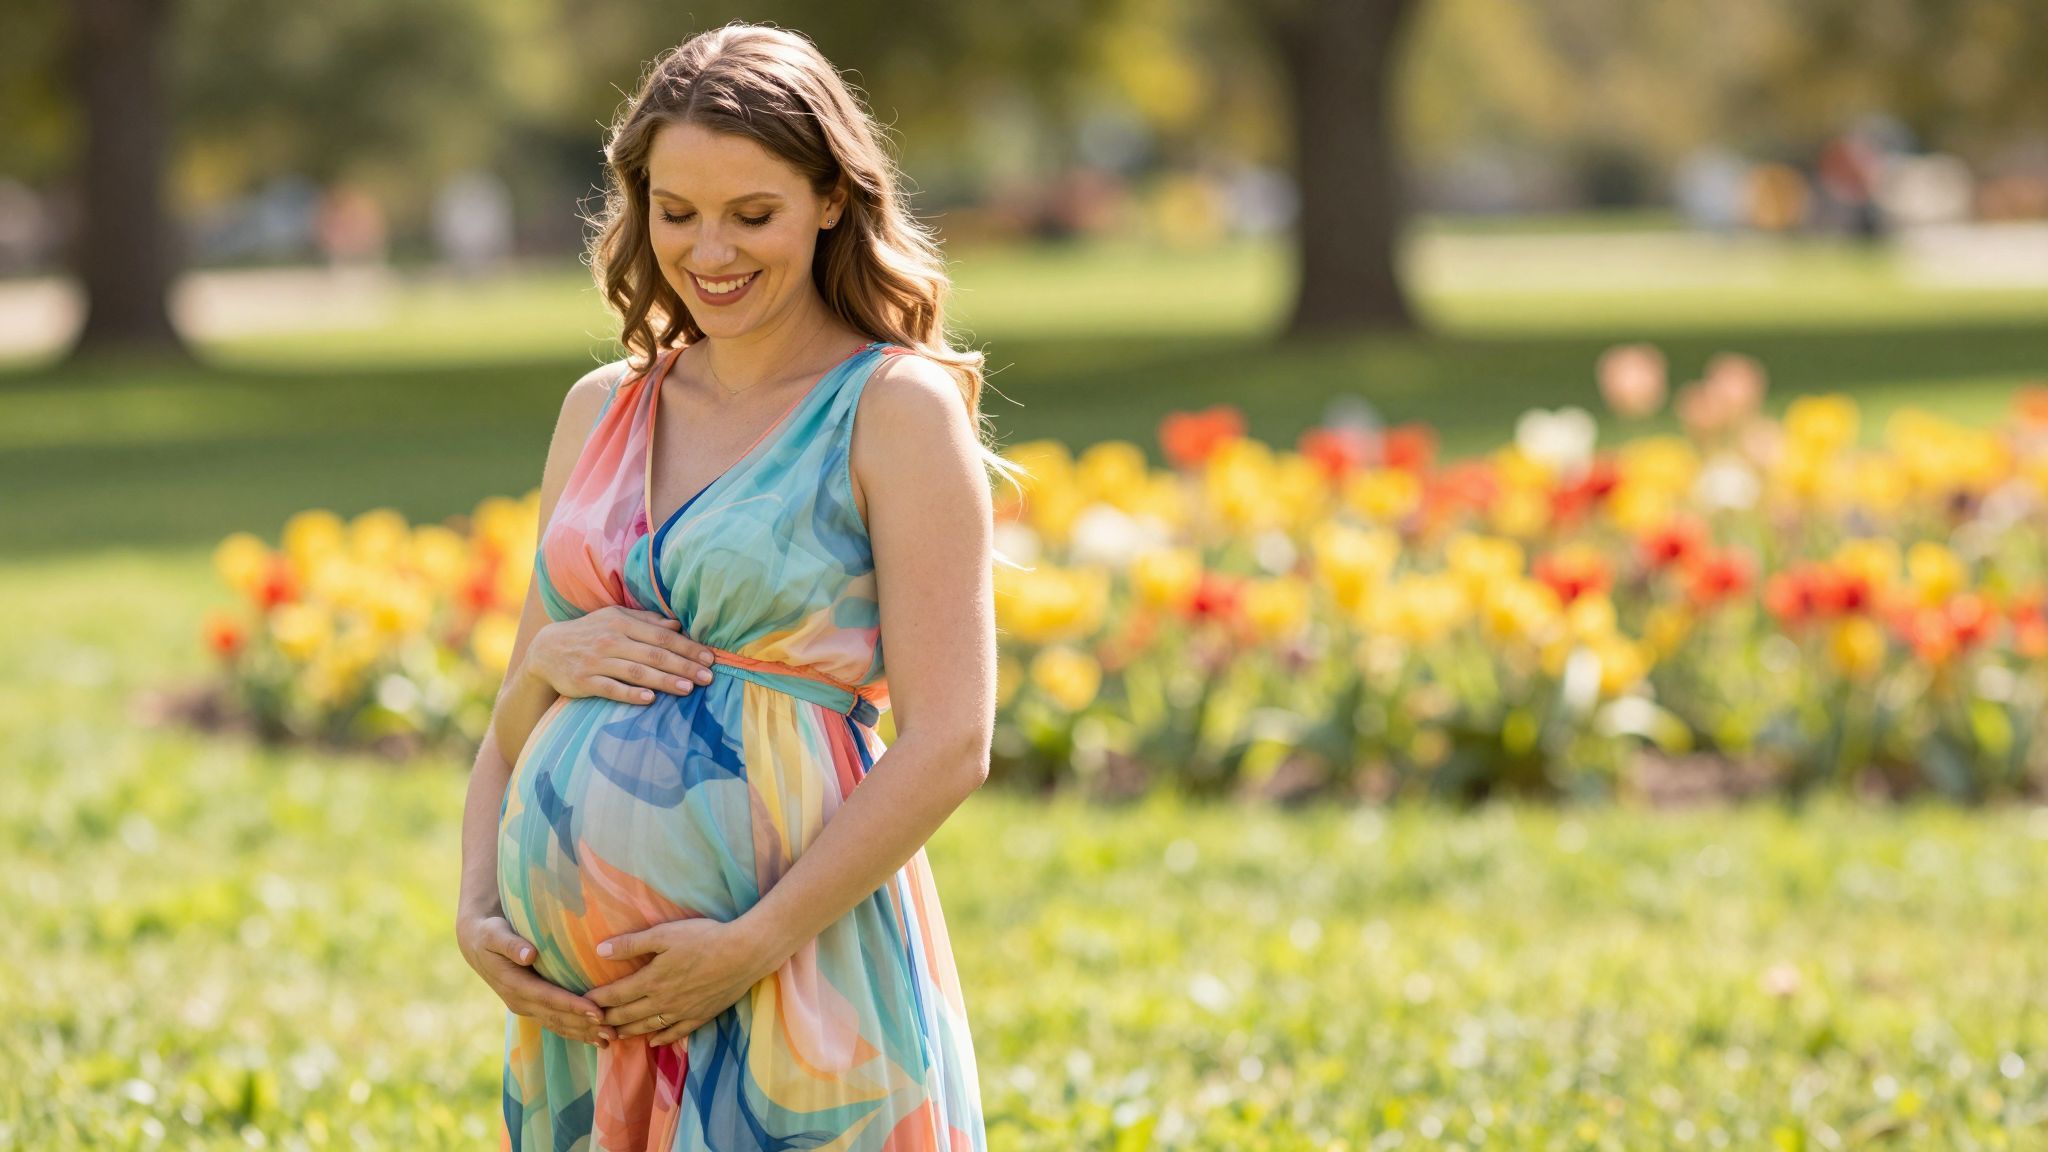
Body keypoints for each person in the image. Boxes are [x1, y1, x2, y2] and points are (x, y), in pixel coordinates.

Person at [453, 22, 1013, 1150]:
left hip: (794, 976)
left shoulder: (892, 409)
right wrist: (477, 908)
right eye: (676, 213)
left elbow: (951, 741)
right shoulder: (599, 408)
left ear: (830, 199)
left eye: (752, 214)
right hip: (588, 1022)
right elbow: (517, 712)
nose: (709, 251)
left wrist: (748, 946)